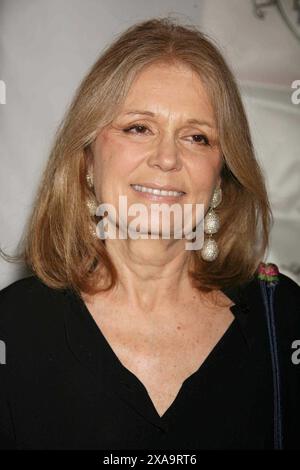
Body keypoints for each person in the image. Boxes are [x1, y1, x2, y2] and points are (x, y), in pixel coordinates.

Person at [0, 17, 299, 450]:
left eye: (197, 137)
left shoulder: (284, 321)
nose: (167, 158)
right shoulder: (13, 329)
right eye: (138, 128)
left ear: (221, 174)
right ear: (87, 158)